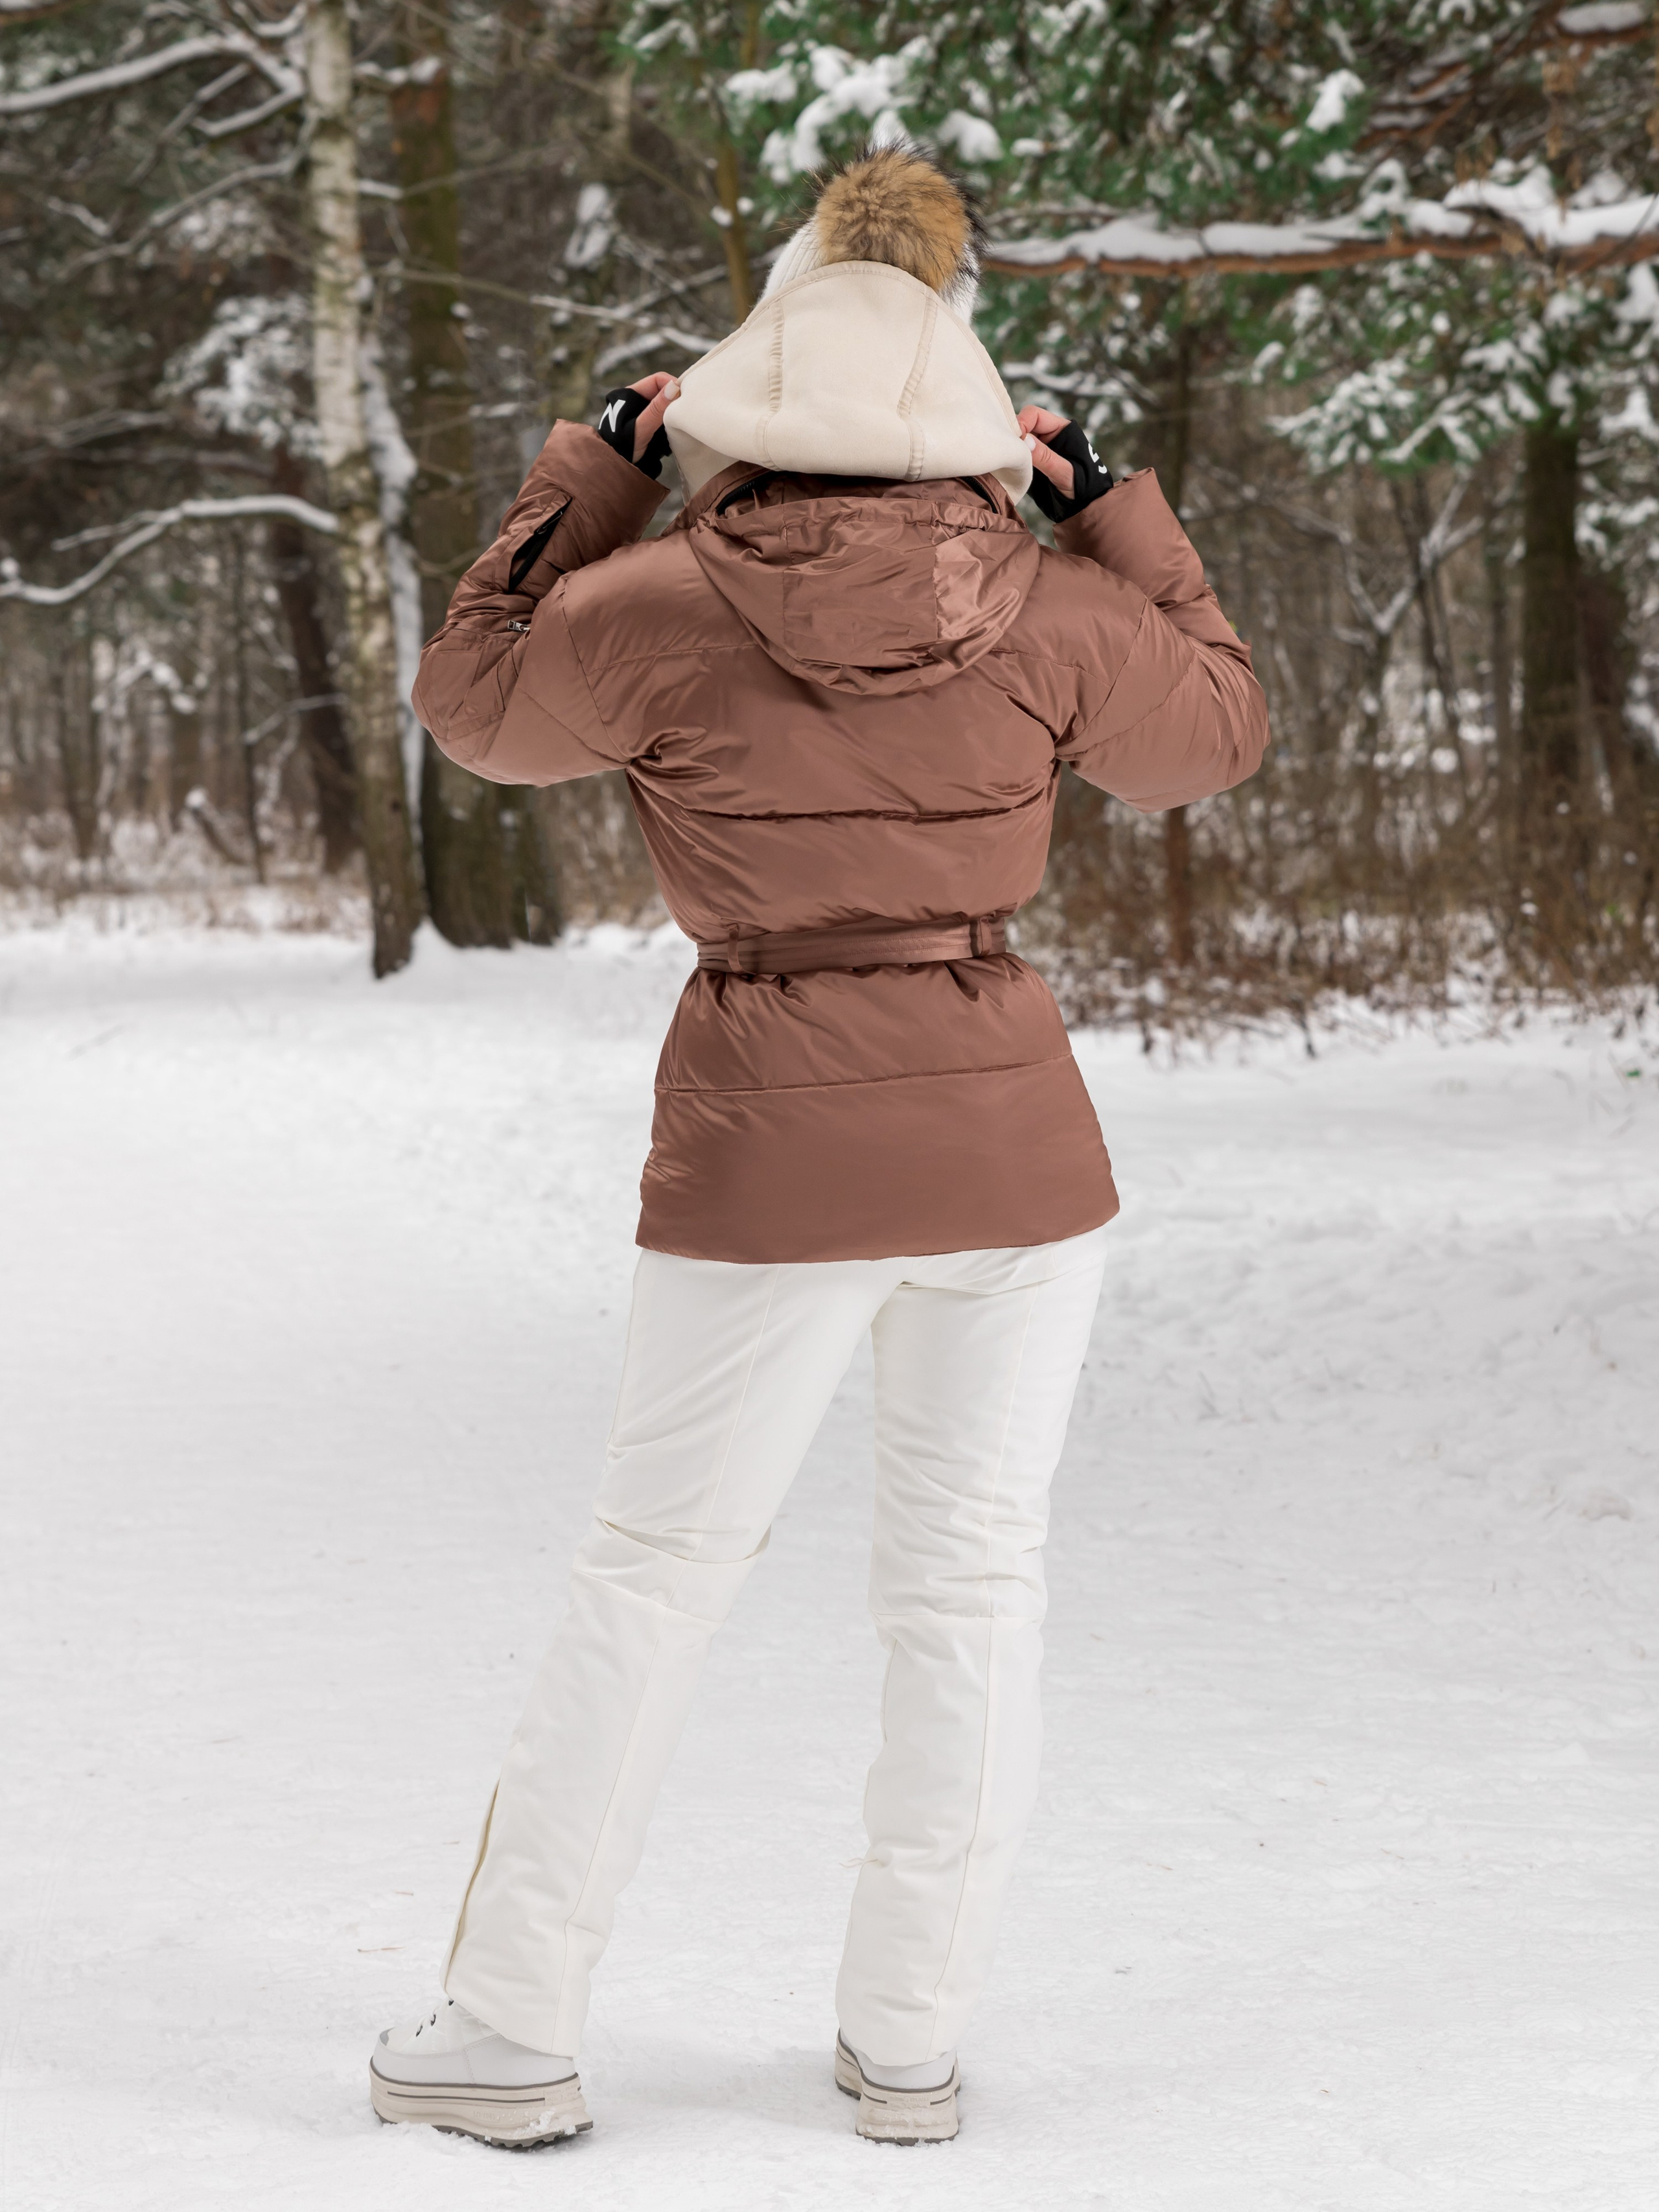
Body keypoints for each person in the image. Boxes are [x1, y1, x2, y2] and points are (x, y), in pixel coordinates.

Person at [367, 145, 1268, 2150]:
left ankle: (510, 2030)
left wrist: (588, 468)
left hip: (772, 1138)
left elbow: (470, 702)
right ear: (967, 394)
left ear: (743, 378)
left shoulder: (655, 605)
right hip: (1013, 1156)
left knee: (655, 1576)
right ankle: (913, 2045)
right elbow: (1217, 730)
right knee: (971, 1594)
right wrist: (1107, 500)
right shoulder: (1043, 607)